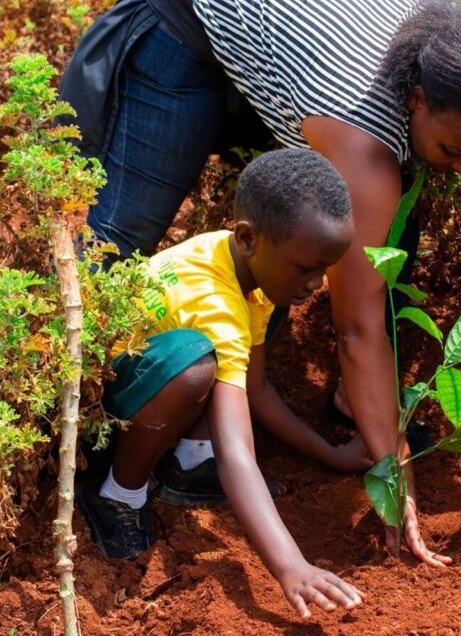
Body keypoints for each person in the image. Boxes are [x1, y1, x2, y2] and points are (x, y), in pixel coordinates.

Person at [62, 0, 461, 568]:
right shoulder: (362, 134)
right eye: (452, 149)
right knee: (109, 255)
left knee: (379, 222)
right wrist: (397, 476)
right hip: (185, 25)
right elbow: (357, 327)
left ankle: (327, 414)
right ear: (416, 99)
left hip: (292, 50)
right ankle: (86, 451)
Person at [76, 148, 368, 618]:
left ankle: (188, 464)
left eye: (324, 269)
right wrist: (290, 565)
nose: (317, 284)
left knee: (210, 356)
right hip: (97, 421)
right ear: (249, 237)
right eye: (306, 268)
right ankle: (116, 494)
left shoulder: (241, 259)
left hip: (137, 392)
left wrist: (329, 455)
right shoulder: (216, 305)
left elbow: (254, 391)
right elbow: (236, 452)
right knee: (195, 366)